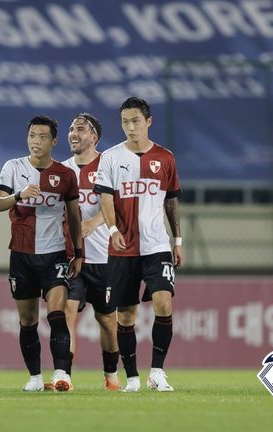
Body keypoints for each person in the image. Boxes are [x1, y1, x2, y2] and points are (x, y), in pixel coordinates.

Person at [94, 97, 183, 392]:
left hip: (157, 245)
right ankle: (131, 377)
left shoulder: (166, 158)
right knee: (125, 315)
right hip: (123, 247)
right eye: (125, 122)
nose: (130, 127)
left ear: (148, 121)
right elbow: (105, 197)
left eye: (135, 121)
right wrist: (112, 229)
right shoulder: (110, 157)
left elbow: (171, 200)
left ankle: (157, 371)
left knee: (163, 302)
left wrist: (178, 240)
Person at [0, 115, 83, 392]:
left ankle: (62, 374)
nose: (36, 141)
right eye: (32, 135)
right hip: (21, 255)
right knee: (28, 320)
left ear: (54, 141)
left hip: (54, 254)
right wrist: (18, 195)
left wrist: (78, 252)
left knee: (57, 313)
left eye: (43, 137)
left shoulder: (65, 175)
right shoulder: (13, 167)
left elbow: (75, 216)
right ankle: (34, 377)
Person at [52, 113, 121, 391]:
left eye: (80, 129)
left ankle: (111, 375)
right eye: (71, 129)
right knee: (67, 310)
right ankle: (63, 374)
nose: (73, 133)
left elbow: (120, 203)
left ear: (94, 136)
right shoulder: (62, 170)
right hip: (72, 258)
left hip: (104, 258)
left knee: (107, 321)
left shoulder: (109, 165)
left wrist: (95, 221)